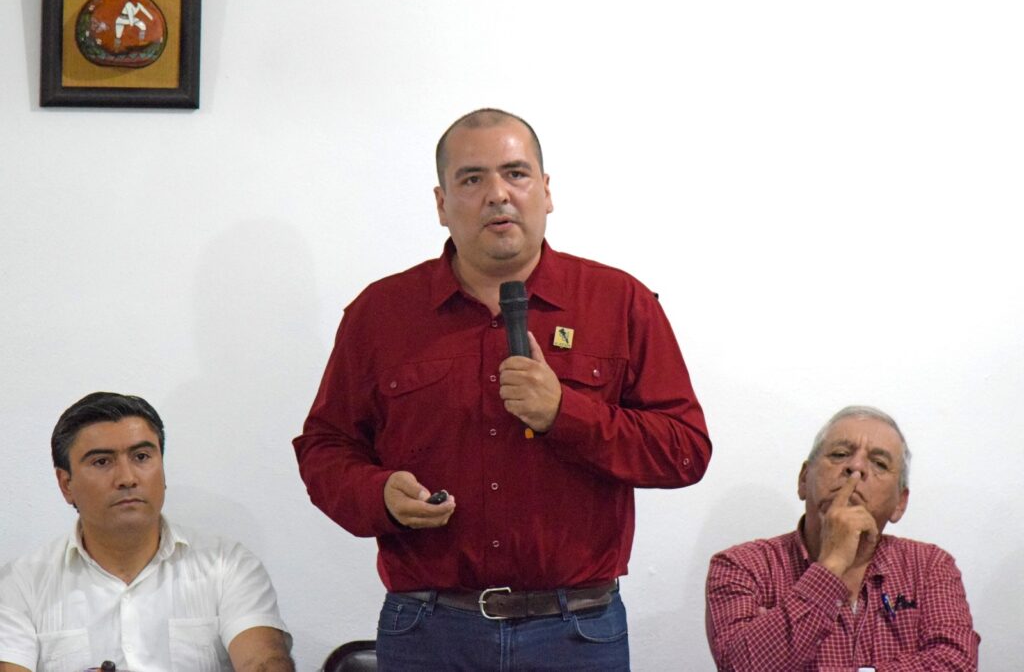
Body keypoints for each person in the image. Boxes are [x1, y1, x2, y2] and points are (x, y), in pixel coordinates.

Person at [293, 108, 712, 670]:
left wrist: (565, 412)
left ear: (546, 190)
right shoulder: (381, 314)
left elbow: (685, 450)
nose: (498, 194)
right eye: (472, 179)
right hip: (429, 631)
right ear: (442, 204)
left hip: (577, 632)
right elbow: (325, 448)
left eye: (516, 174)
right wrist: (378, 495)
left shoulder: (619, 303)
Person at [0, 392, 294, 672]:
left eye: (141, 457)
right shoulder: (21, 584)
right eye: (102, 462)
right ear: (66, 484)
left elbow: (262, 662)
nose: (127, 478)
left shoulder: (228, 564)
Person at [705, 406, 980, 671]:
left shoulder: (929, 566)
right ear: (804, 480)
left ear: (900, 503)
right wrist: (832, 564)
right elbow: (739, 666)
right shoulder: (742, 566)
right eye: (839, 455)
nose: (856, 468)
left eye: (879, 463)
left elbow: (956, 663)